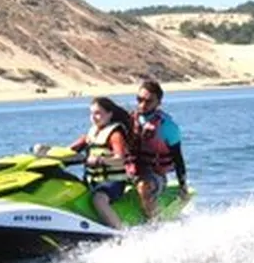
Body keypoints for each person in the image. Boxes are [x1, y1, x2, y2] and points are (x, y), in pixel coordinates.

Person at [67, 96, 133, 229]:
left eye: (98, 113)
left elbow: (120, 159)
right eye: (91, 113)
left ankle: (121, 232)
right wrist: (48, 153)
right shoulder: (92, 133)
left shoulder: (115, 134)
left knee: (99, 199)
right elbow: (69, 150)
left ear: (109, 114)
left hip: (113, 182)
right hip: (93, 181)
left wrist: (100, 160)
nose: (93, 117)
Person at [128, 79, 188, 219]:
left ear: (158, 103)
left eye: (148, 101)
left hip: (154, 175)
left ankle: (156, 223)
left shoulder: (168, 126)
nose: (142, 105)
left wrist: (183, 185)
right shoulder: (129, 120)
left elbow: (178, 158)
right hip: (129, 171)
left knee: (143, 187)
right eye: (139, 99)